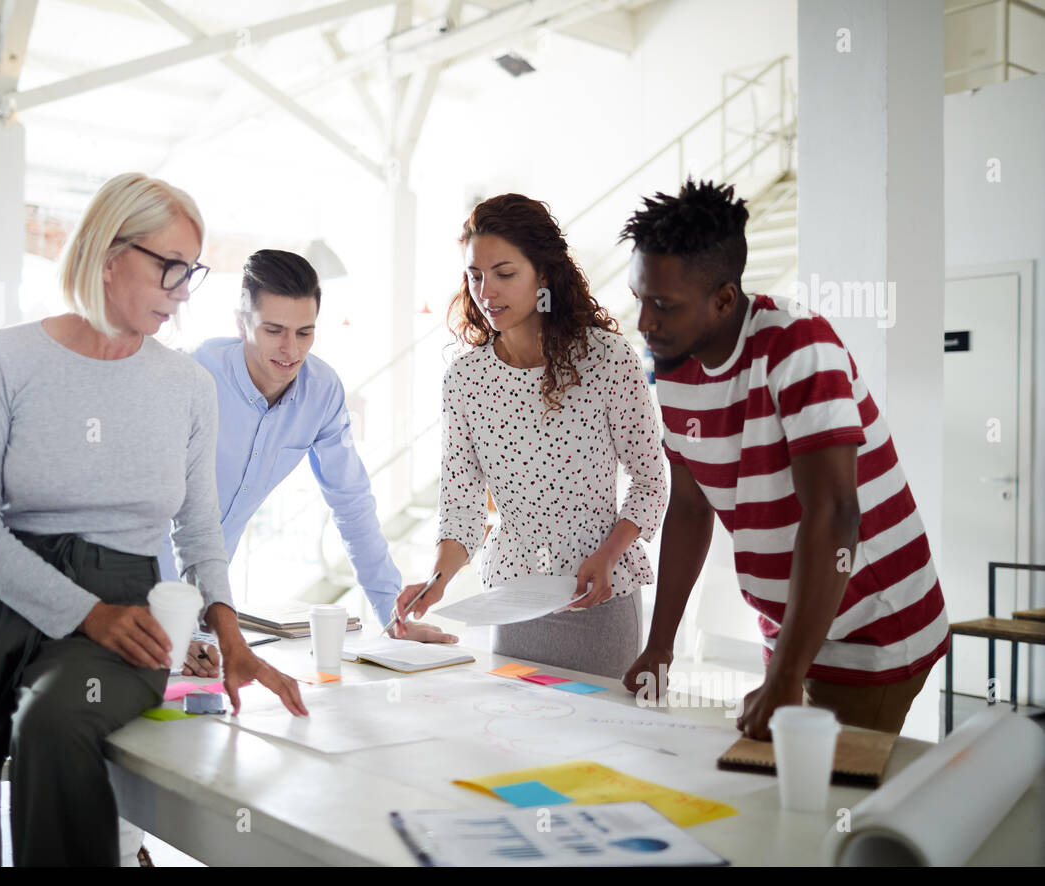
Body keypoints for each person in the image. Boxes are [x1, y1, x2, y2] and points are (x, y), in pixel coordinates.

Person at [0, 172, 305, 868]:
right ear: (110, 254)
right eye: (170, 268)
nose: (183, 291)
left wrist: (229, 635)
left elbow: (198, 531)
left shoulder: (187, 387)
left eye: (191, 273)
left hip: (127, 598)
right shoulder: (0, 360)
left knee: (55, 725)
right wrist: (84, 611)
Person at [618, 179, 950, 738]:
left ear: (724, 298)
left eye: (663, 305)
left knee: (822, 807)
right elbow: (691, 509)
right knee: (774, 796)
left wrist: (786, 676)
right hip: (794, 630)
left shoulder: (798, 346)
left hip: (873, 627)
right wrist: (660, 645)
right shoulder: (674, 366)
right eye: (640, 299)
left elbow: (835, 514)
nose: (645, 322)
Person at [394, 193, 668, 680]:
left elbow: (651, 481)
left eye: (504, 274)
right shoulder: (465, 380)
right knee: (516, 743)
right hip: (512, 603)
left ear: (543, 275)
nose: (486, 291)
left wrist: (606, 557)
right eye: (474, 276)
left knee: (607, 745)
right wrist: (437, 580)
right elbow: (462, 507)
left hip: (599, 601)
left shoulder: (608, 360)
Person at [156, 248, 456, 676]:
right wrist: (167, 619)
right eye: (274, 330)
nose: (290, 350)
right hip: (137, 596)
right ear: (241, 322)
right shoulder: (192, 377)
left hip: (207, 614)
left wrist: (396, 617)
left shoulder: (322, 391)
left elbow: (352, 504)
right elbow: (151, 513)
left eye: (305, 332)